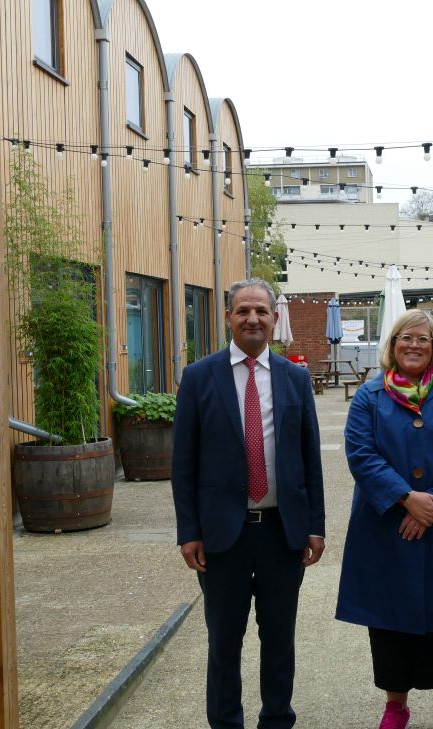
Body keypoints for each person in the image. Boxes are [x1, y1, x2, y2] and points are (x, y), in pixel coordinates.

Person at [171, 278, 325, 729]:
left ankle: (277, 719)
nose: (252, 319)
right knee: (224, 642)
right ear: (227, 318)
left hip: (282, 532)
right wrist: (188, 532)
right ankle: (226, 723)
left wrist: (315, 525)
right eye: (243, 311)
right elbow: (183, 465)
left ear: (274, 318)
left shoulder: (296, 378)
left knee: (279, 640)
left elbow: (309, 458)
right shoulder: (199, 377)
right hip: (222, 536)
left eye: (261, 311)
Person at [336, 309, 433, 729]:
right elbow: (361, 454)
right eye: (406, 338)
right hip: (386, 525)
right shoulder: (370, 397)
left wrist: (432, 505)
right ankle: (395, 704)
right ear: (392, 345)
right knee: (389, 618)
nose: (414, 345)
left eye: (423, 339)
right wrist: (406, 499)